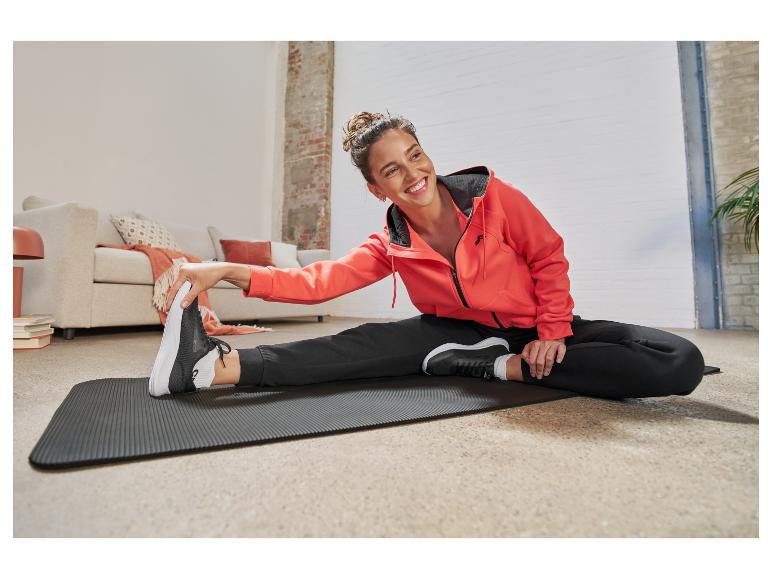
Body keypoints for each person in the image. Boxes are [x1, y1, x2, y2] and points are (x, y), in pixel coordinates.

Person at [148, 111, 706, 399]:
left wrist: (553, 333)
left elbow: (548, 259)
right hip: (448, 331)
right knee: (358, 346)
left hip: (532, 327)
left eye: (415, 156)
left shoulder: (494, 198)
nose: (412, 174)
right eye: (392, 169)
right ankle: (212, 368)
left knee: (677, 360)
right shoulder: (389, 242)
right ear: (377, 189)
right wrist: (226, 270)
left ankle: (498, 366)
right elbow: (318, 283)